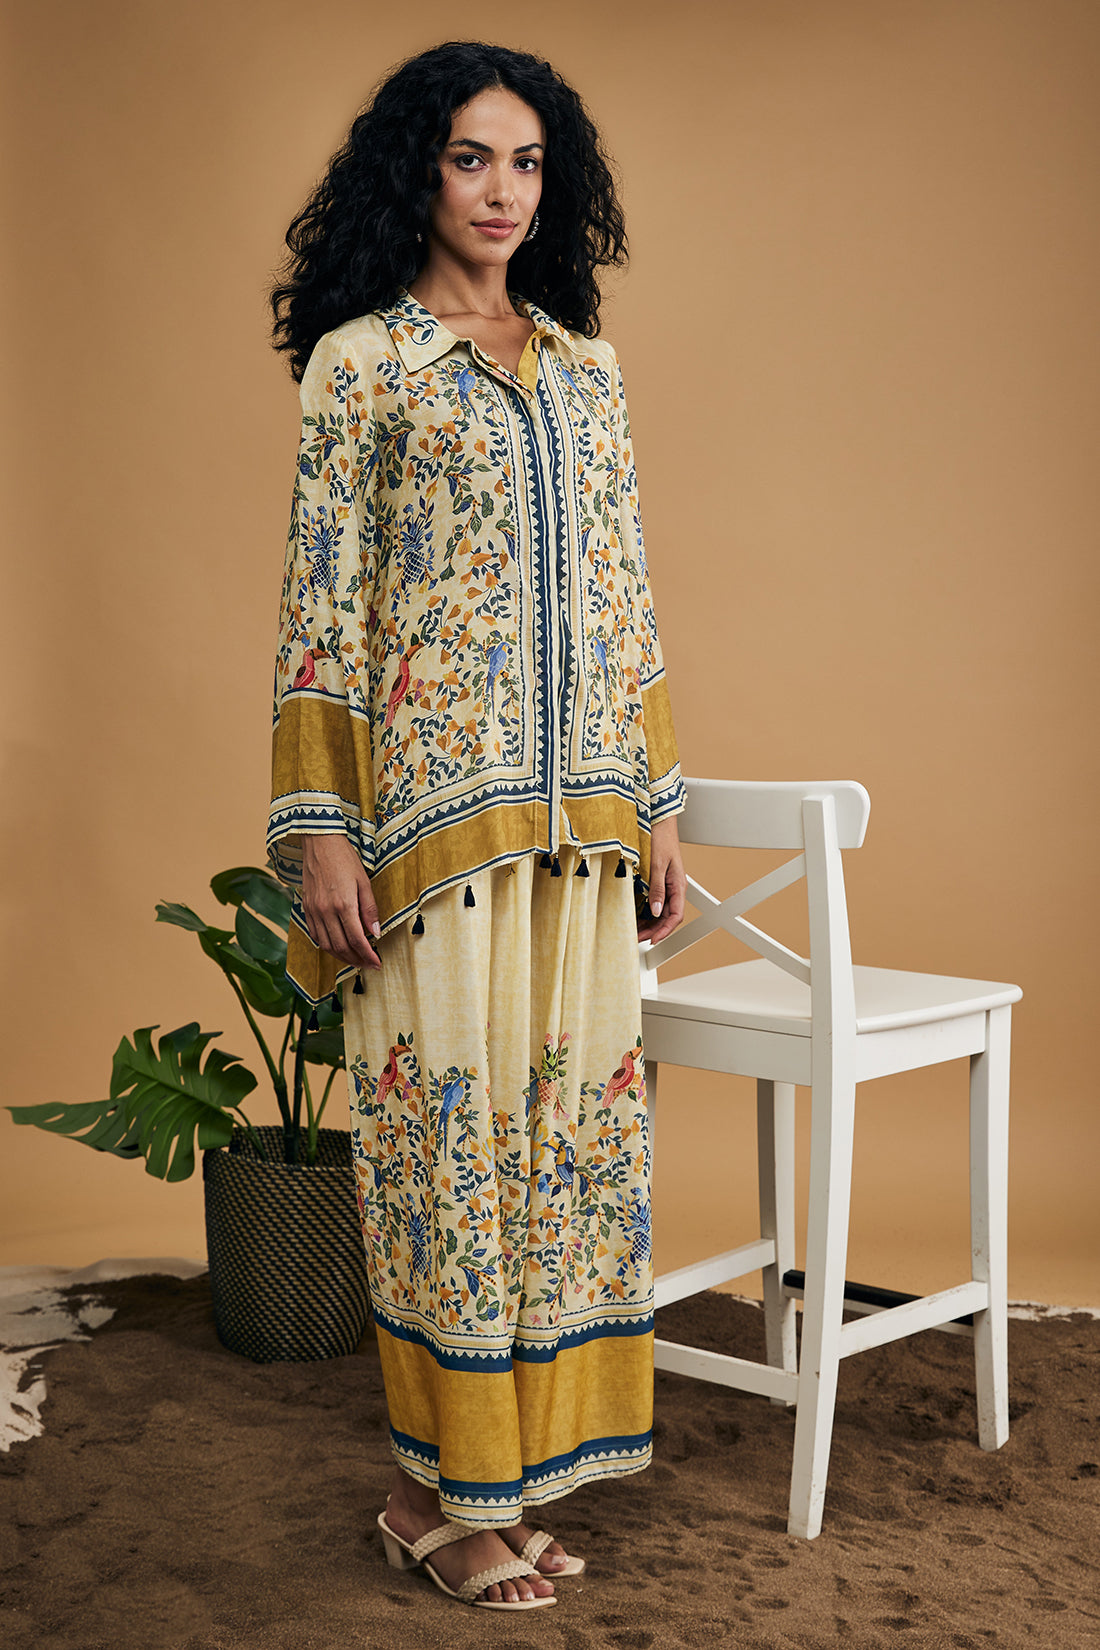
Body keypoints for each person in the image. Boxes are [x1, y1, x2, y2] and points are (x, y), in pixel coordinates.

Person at [267, 41, 686, 1611]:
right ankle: (424, 1497)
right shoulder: (362, 364)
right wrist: (323, 825)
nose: (502, 190)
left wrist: (656, 801)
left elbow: (625, 593)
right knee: (447, 1161)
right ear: (418, 172)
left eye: (525, 162)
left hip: (581, 840)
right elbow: (323, 602)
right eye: (469, 158)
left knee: (560, 1155)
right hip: (430, 838)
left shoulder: (586, 367)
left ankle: (493, 1490)